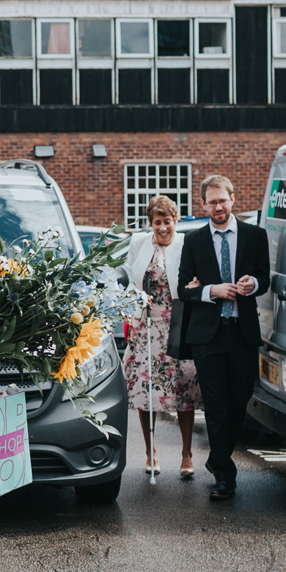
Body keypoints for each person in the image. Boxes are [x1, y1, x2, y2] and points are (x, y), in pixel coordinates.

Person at [175, 174, 270, 501]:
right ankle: (225, 478)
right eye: (212, 202)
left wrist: (251, 285)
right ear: (203, 204)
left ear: (233, 199)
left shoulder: (256, 236)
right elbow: (183, 290)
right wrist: (211, 290)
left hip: (242, 333)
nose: (218, 206)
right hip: (208, 337)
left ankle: (217, 457)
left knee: (239, 398)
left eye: (223, 200)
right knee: (215, 404)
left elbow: (265, 279)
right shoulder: (194, 241)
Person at [121, 195, 202, 480]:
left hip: (177, 323)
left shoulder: (186, 243)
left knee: (184, 390)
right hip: (146, 326)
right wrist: (135, 300)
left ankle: (187, 454)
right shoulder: (139, 243)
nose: (163, 227)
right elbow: (131, 280)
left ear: (175, 221)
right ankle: (150, 451)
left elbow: (196, 278)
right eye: (157, 222)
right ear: (151, 223)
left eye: (167, 221)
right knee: (146, 392)